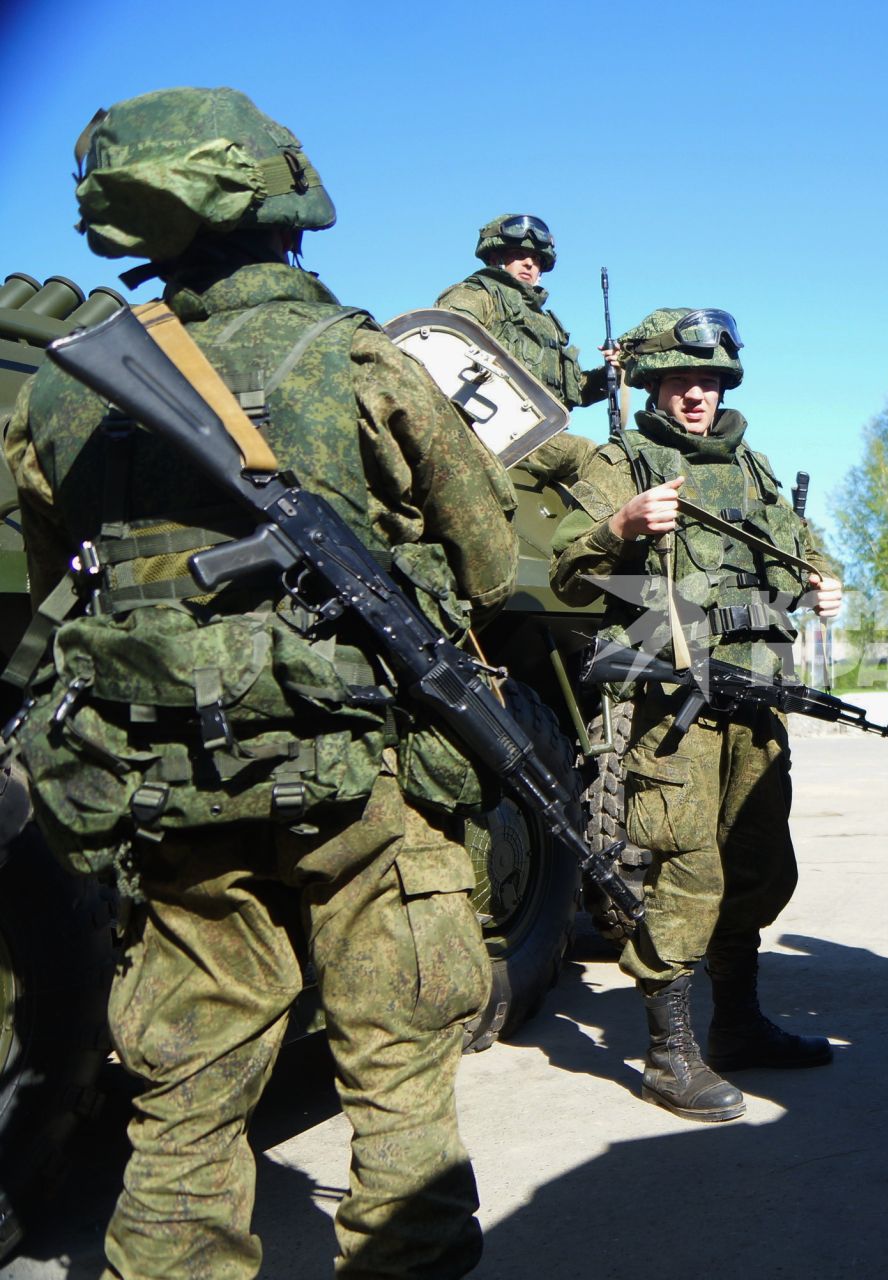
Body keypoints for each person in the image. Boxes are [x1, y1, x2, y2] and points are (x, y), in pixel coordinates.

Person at [2, 88, 517, 1279]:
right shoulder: (357, 361)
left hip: (165, 785)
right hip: (359, 786)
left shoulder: (64, 390)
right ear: (280, 197)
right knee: (397, 1083)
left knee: (183, 1093)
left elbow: (52, 576)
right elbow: (495, 568)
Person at [549, 307, 843, 1122]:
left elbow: (802, 544)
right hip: (669, 704)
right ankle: (669, 1053)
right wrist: (621, 524)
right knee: (684, 867)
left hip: (758, 697)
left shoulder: (752, 463)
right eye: (682, 381)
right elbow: (569, 573)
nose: (697, 396)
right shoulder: (625, 460)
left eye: (710, 381)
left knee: (756, 865)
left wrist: (823, 580)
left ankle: (739, 1023)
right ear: (653, 384)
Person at [435, 213, 616, 485]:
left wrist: (613, 372)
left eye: (537, 259)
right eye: (519, 255)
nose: (530, 263)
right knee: (596, 457)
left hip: (540, 435)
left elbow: (572, 391)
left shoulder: (547, 324)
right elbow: (441, 351)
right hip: (490, 432)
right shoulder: (477, 295)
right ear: (496, 258)